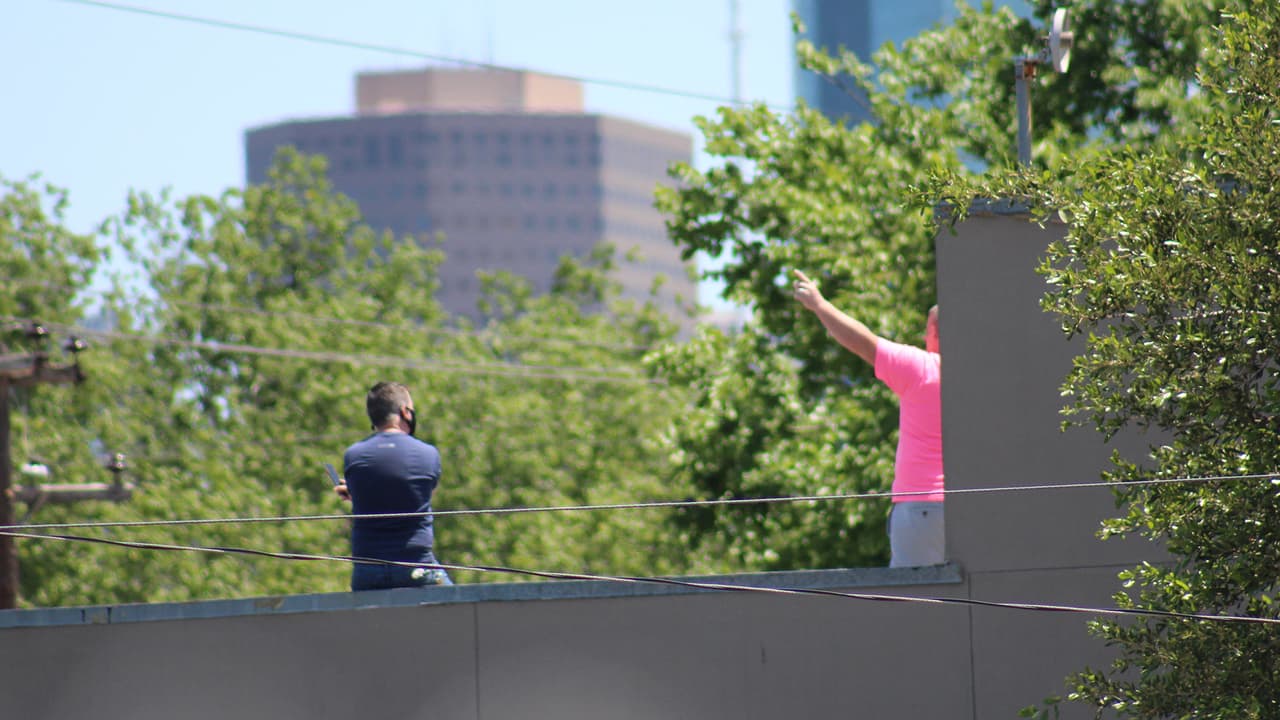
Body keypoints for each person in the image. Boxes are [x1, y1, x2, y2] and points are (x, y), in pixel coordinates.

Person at [791, 269, 944, 567]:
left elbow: (862, 341)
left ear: (935, 332)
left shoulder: (922, 368)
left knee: (918, 603)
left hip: (921, 508)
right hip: (973, 506)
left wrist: (820, 305)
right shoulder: (983, 374)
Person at [334, 381, 453, 589]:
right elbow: (419, 495)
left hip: (367, 572)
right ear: (405, 412)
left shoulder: (354, 455)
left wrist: (359, 494)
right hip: (416, 567)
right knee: (460, 611)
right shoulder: (427, 453)